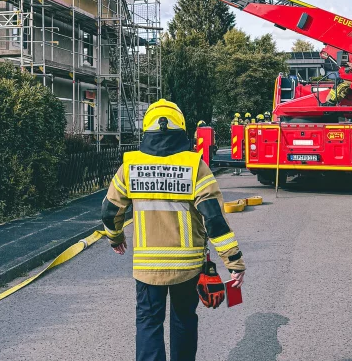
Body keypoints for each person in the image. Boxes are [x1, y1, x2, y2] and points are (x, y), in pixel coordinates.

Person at [101, 99, 246, 361]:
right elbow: (214, 219)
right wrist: (233, 261)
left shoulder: (130, 166)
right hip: (187, 267)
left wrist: (116, 238)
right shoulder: (195, 166)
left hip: (147, 268)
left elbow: (110, 211)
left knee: (148, 323)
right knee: (184, 321)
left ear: (147, 129)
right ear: (181, 129)